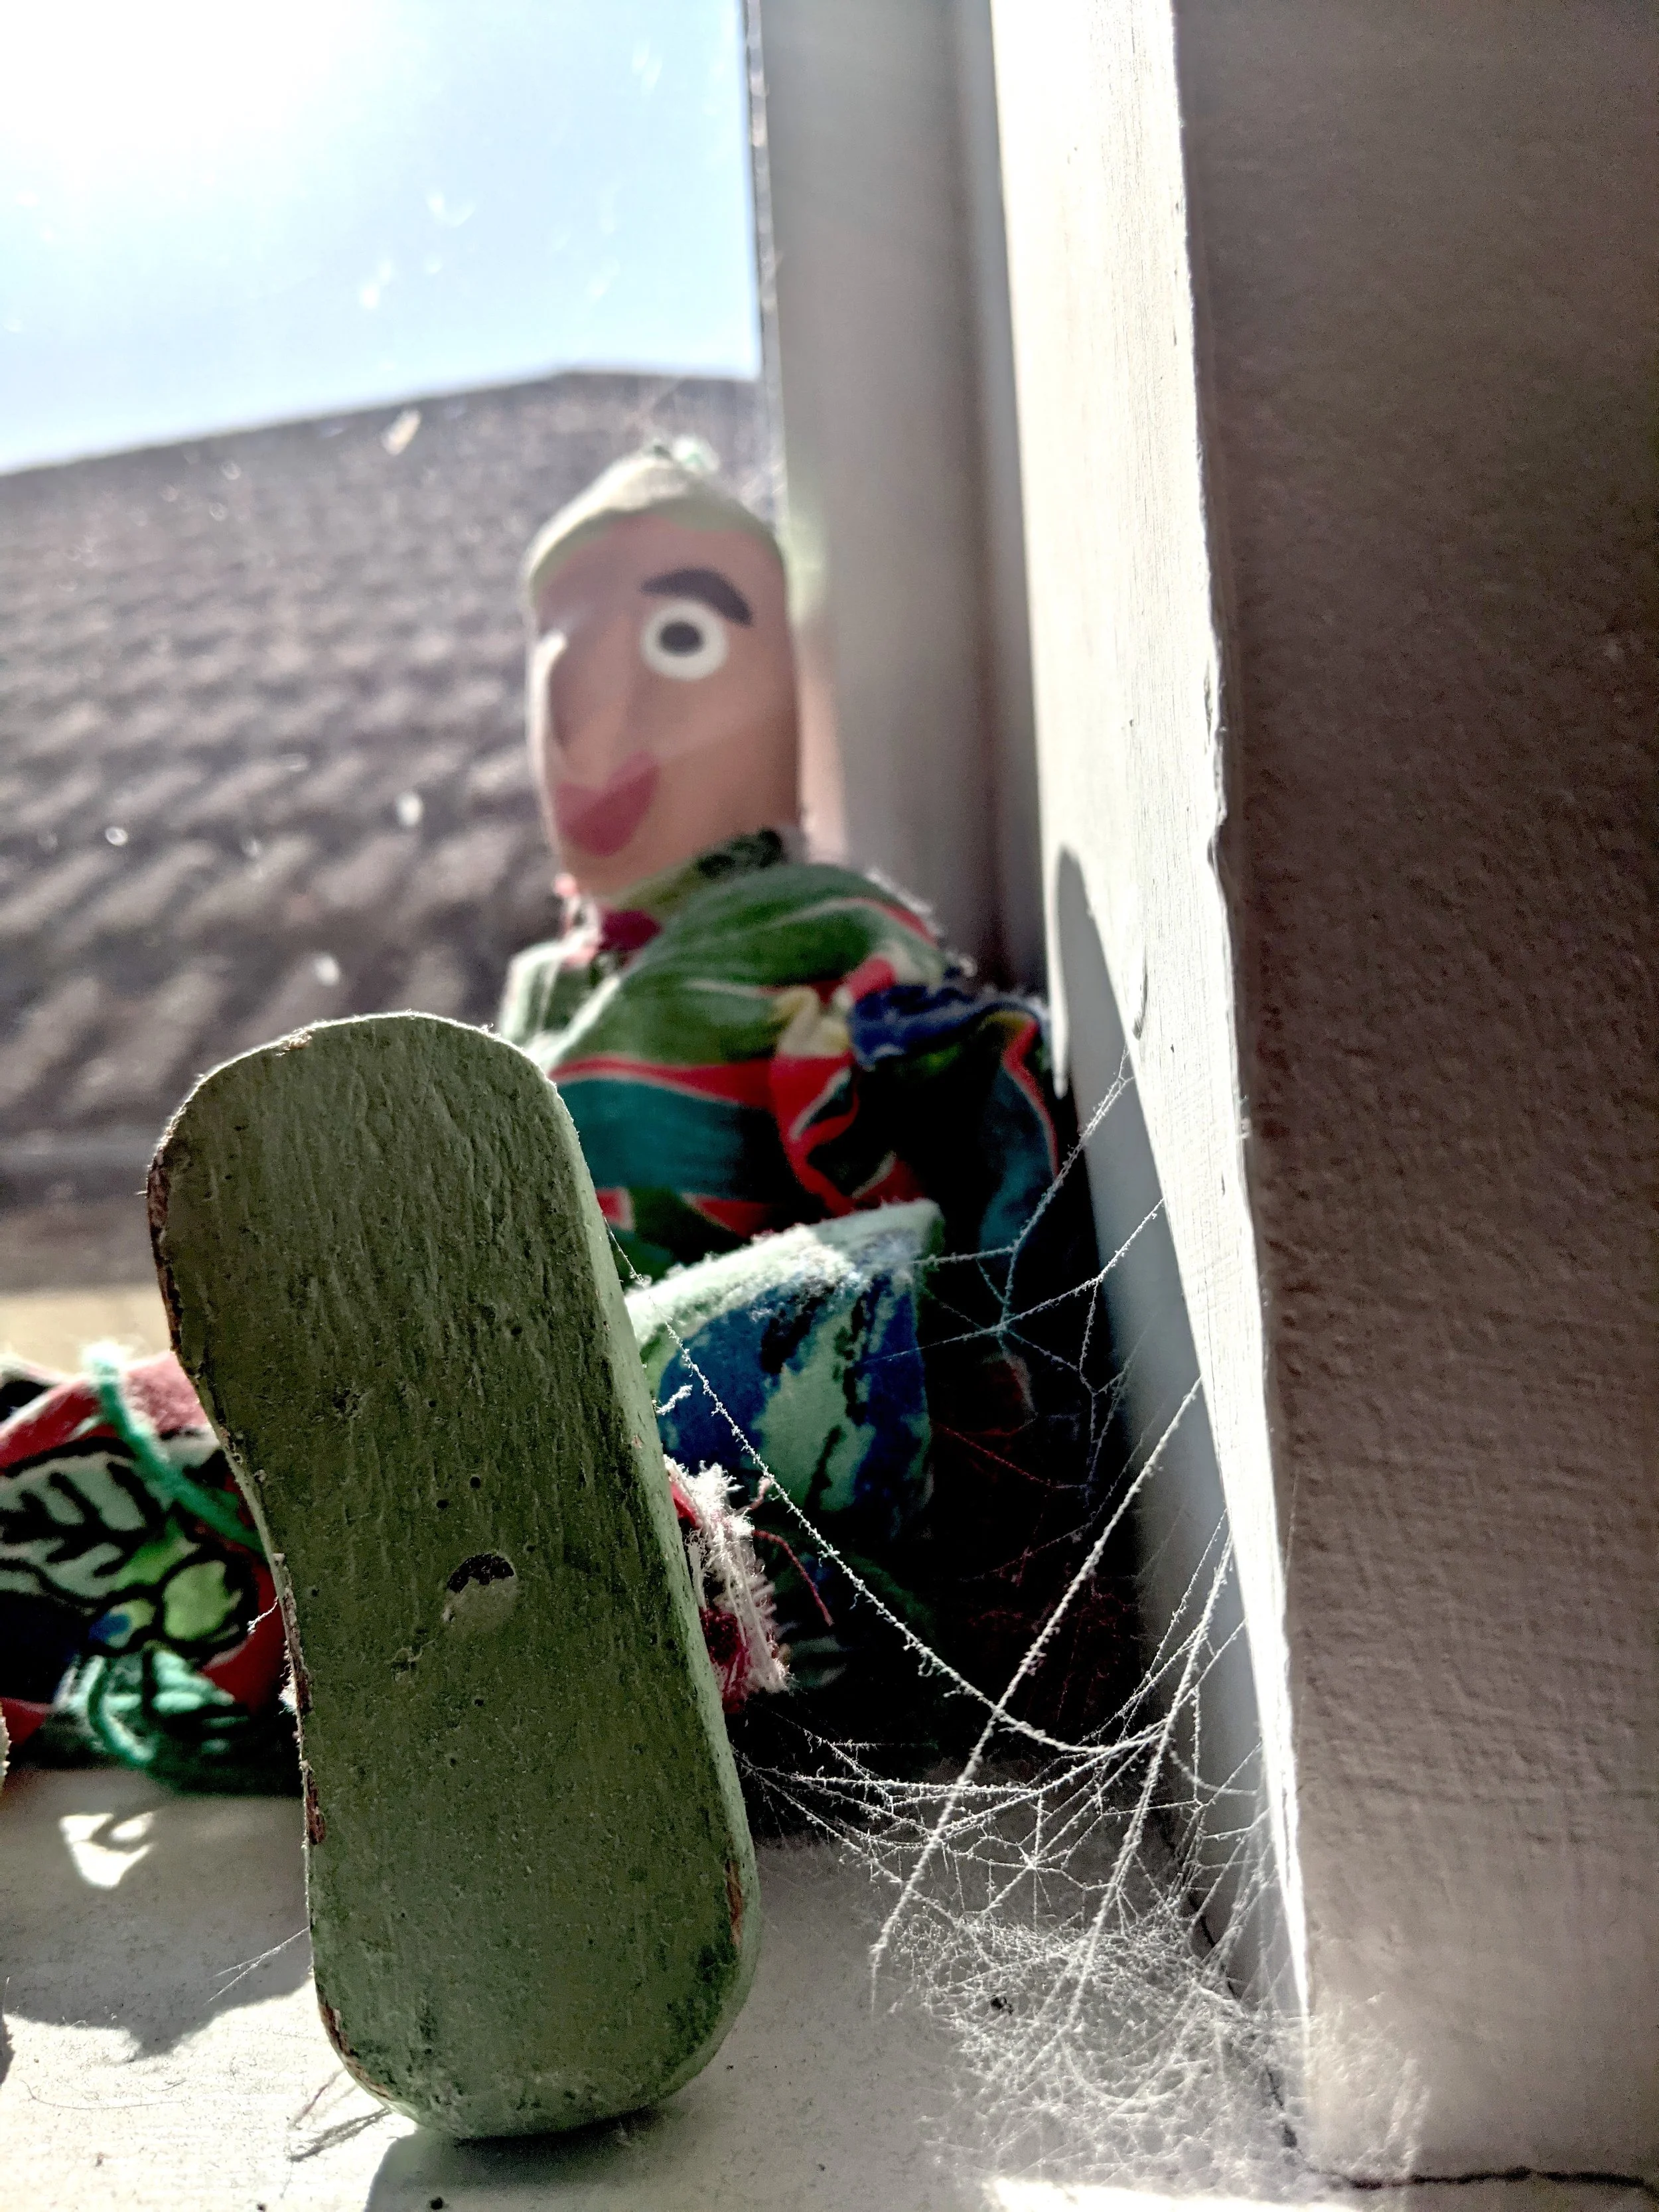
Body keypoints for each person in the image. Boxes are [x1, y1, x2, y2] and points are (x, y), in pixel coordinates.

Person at [0, 445, 1118, 1794]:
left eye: (681, 636)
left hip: (691, 1411)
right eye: (552, 649)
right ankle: (294, 1575)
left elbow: (950, 1190)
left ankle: (602, 1603)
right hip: (509, 1387)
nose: (582, 709)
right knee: (255, 1413)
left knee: (809, 1319)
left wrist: (847, 1109)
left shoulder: (820, 928)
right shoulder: (536, 991)